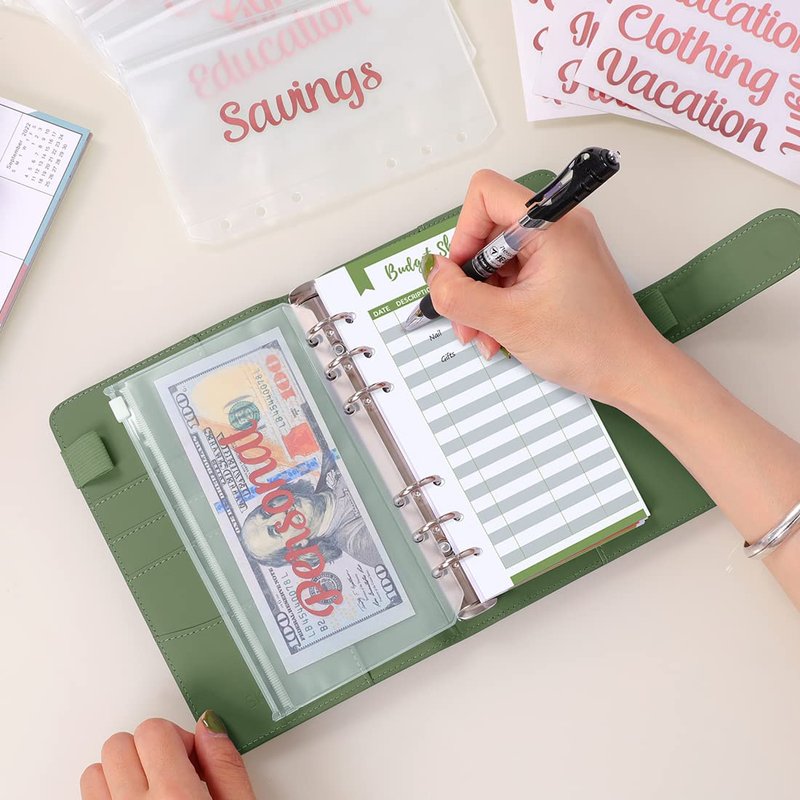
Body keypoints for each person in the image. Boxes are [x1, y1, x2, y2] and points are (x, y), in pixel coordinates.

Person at [80, 170, 800, 799]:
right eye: (279, 534)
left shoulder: (321, 478)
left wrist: (636, 366)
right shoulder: (359, 545)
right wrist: (638, 366)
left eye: (271, 514)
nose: (283, 514)